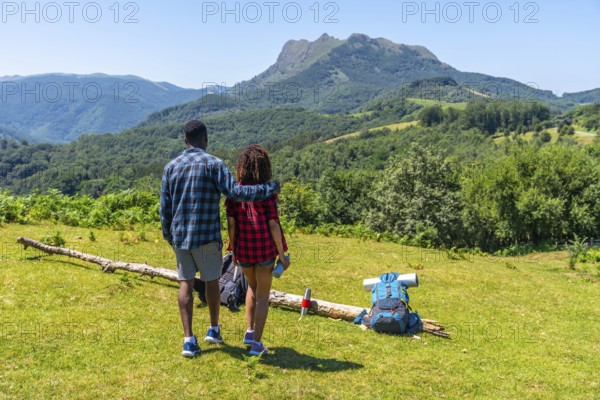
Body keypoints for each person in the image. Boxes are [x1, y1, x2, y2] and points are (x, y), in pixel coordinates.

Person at [160, 120, 278, 358]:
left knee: (186, 283)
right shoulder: (214, 164)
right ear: (206, 139)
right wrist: (269, 189)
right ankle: (213, 329)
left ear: (185, 140)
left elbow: (165, 208)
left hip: (181, 236)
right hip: (207, 236)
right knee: (212, 281)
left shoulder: (171, 167)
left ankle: (188, 340)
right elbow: (236, 192)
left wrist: (169, 236)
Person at [225, 144, 290, 356]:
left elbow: (231, 223)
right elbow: (273, 224)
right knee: (263, 294)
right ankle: (256, 343)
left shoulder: (234, 191)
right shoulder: (267, 191)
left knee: (251, 287)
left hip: (243, 248)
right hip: (264, 249)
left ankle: (249, 330)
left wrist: (233, 249)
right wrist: (282, 255)